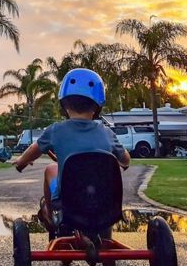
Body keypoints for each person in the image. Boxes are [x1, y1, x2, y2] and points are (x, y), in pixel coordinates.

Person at [13, 68, 130, 221]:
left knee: (50, 169)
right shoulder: (107, 133)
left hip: (68, 202)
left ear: (64, 105)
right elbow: (125, 160)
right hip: (104, 202)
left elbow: (33, 149)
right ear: (97, 106)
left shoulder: (55, 131)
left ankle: (50, 215)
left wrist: (21, 161)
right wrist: (123, 159)